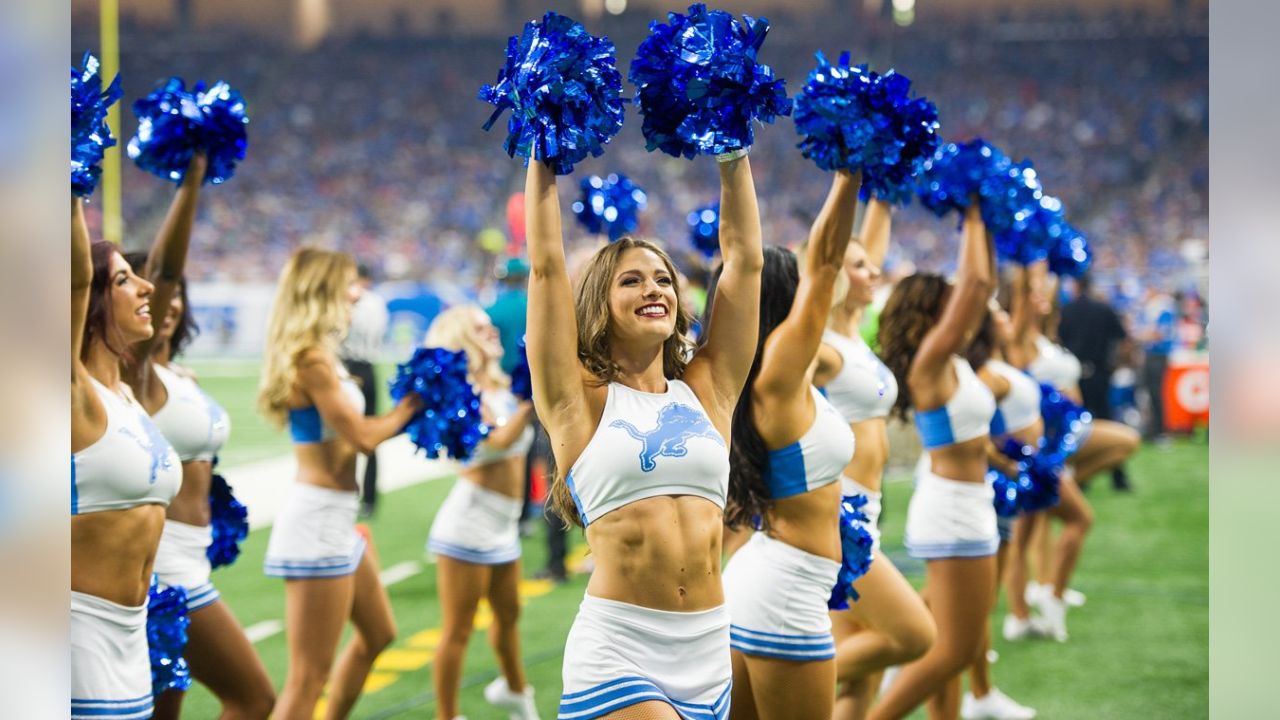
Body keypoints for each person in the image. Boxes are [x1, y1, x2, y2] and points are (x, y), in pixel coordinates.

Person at [524, 146, 762, 719]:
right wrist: (543, 148)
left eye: (663, 279)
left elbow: (746, 261)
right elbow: (546, 265)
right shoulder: (575, 401)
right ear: (599, 303)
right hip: (619, 652)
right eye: (631, 281)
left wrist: (732, 151)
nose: (654, 289)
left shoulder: (708, 390)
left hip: (709, 648)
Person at [120, 154, 275, 719]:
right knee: (254, 696)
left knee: (168, 708)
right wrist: (190, 181)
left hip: (189, 559)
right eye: (149, 295)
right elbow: (161, 270)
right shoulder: (129, 373)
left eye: (177, 296)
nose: (166, 302)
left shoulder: (175, 376)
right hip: (163, 564)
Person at [717, 170, 861, 720]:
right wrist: (848, 174)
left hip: (766, 579)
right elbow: (826, 263)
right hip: (786, 593)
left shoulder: (766, 376)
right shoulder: (777, 374)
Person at [256, 248, 422, 720]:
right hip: (316, 524)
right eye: (348, 285)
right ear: (323, 290)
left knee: (378, 634)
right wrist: (414, 406)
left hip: (338, 521)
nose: (357, 294)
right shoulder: (310, 359)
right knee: (307, 680)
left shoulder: (324, 354)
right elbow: (365, 437)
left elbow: (352, 440)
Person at [869, 204, 997, 720]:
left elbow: (979, 290)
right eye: (947, 306)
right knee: (956, 651)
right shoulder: (931, 363)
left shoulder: (954, 359)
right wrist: (973, 212)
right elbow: (977, 286)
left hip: (966, 502)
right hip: (954, 510)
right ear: (930, 314)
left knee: (947, 644)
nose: (960, 314)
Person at [814, 198, 935, 720]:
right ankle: (766, 684)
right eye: (858, 266)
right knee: (912, 635)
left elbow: (869, 244)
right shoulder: (816, 340)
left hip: (866, 510)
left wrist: (877, 185)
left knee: (860, 685)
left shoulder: (854, 328)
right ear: (831, 275)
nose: (874, 271)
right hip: (838, 516)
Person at [71, 197, 183, 720]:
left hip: (131, 634)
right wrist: (70, 184)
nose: (146, 288)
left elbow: (168, 269)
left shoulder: (129, 394)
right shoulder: (72, 392)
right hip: (76, 632)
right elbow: (70, 277)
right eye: (122, 280)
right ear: (89, 301)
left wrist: (196, 169)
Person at [422, 305, 539, 720]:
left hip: (504, 524)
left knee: (509, 617)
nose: (491, 332)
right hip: (468, 526)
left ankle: (517, 696)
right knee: (458, 629)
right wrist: (531, 400)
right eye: (480, 328)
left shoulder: (501, 387)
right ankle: (447, 715)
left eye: (490, 327)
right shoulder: (461, 394)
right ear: (461, 339)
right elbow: (495, 444)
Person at [1058, 272, 1131, 491]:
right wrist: (1113, 363)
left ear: (1075, 285)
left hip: (1074, 377)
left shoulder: (1067, 310)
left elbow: (1058, 339)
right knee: (1107, 421)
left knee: (1076, 427)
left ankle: (1082, 478)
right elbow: (1122, 338)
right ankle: (1119, 478)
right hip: (1100, 374)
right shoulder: (1103, 308)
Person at [339, 263, 389, 516]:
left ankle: (346, 490)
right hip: (369, 369)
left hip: (348, 368)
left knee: (342, 435)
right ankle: (370, 498)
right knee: (370, 434)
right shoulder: (378, 302)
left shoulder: (349, 300)